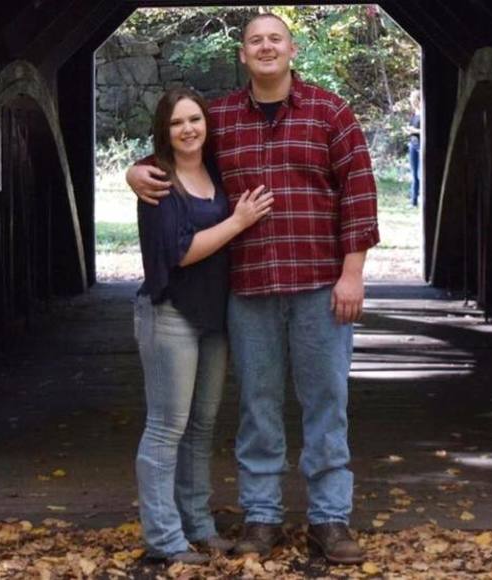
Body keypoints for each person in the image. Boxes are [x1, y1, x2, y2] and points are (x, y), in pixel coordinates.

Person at [127, 13, 379, 565]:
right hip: (249, 287)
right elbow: (179, 146)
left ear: (292, 49)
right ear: (242, 54)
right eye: (255, 41)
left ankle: (329, 519)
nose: (266, 47)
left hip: (319, 286)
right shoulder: (220, 119)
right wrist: (135, 170)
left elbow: (359, 192)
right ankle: (262, 517)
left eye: (275, 39)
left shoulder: (330, 112)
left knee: (326, 404)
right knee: (257, 409)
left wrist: (353, 272)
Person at [133, 87, 273, 565]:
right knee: (165, 428)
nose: (188, 129)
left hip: (213, 316)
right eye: (176, 122)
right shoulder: (157, 179)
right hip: (169, 312)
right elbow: (180, 252)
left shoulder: (216, 169)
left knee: (201, 427)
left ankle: (198, 525)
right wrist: (239, 222)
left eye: (194, 119)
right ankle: (164, 538)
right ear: (164, 130)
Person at [408, 89, 421, 207]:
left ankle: (422, 198)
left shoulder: (423, 114)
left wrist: (415, 130)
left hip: (421, 146)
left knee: (420, 174)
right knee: (413, 174)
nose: (411, 101)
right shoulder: (414, 114)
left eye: (412, 99)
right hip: (412, 145)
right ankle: (413, 200)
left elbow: (425, 130)